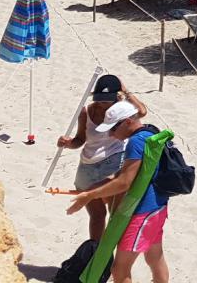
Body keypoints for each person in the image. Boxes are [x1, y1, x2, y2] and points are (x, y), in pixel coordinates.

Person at [66, 102, 170, 283]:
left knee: (120, 270)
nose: (110, 134)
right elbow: (132, 174)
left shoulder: (136, 142)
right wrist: (100, 186)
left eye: (113, 128)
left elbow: (125, 182)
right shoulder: (151, 132)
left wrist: (89, 196)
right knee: (154, 257)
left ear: (128, 122)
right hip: (158, 207)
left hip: (141, 213)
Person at [57, 75, 148, 241]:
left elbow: (141, 112)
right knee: (96, 214)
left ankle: (111, 255)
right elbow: (80, 140)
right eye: (99, 100)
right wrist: (68, 143)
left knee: (115, 213)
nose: (101, 104)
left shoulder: (121, 111)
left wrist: (126, 91)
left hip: (112, 161)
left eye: (106, 101)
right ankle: (95, 252)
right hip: (87, 165)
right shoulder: (86, 111)